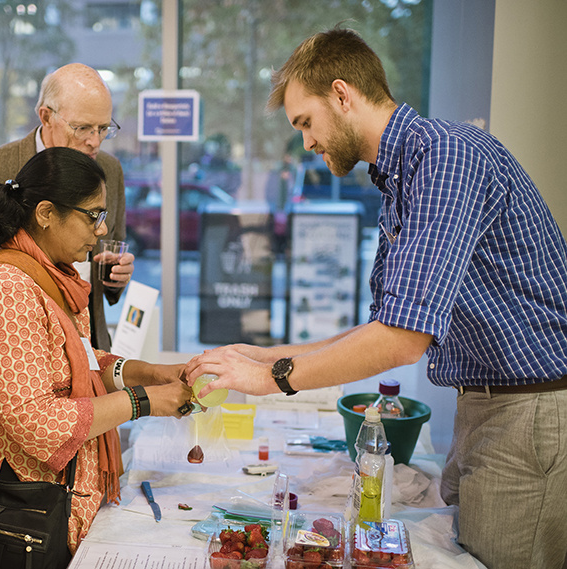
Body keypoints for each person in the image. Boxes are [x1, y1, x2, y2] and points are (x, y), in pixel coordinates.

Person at [186, 27, 567, 569]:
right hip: (486, 405)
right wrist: (265, 356)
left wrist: (272, 380)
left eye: (306, 123)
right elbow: (383, 325)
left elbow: (403, 341)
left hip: (529, 410)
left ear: (342, 95)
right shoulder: (402, 176)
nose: (308, 143)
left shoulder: (446, 157)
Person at [0, 146, 194, 557]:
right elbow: (36, 421)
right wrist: (143, 402)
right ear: (46, 213)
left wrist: (146, 373)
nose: (101, 231)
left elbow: (75, 365)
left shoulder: (52, 275)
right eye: (92, 215)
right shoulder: (5, 290)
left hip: (54, 507)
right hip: (16, 516)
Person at [0, 63, 133, 351]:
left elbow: (109, 252)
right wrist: (13, 319)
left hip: (91, 352)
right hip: (16, 354)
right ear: (45, 116)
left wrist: (114, 278)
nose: (94, 141)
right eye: (82, 128)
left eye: (103, 128)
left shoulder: (109, 170)